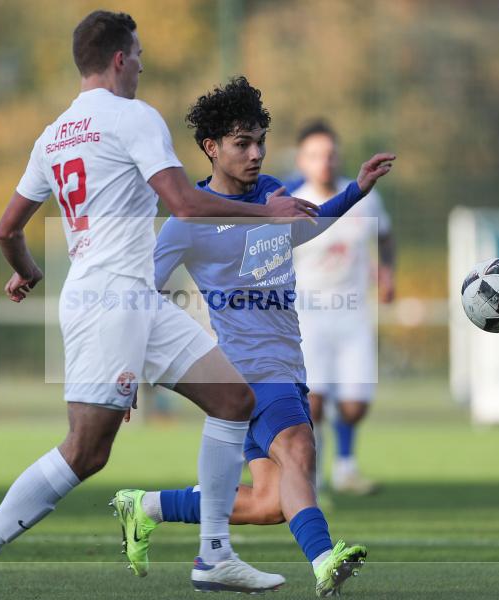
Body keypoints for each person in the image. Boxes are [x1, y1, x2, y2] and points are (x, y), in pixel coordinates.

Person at [0, 12, 320, 600]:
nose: (142, 63)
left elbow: (7, 228)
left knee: (233, 397)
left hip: (132, 298)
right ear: (119, 58)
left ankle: (214, 556)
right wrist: (267, 211)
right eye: (138, 53)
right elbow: (185, 204)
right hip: (110, 302)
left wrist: (27, 271)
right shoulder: (133, 116)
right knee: (87, 452)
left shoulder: (54, 134)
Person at [112, 76, 395, 597]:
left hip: (287, 362)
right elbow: (138, 294)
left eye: (261, 141)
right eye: (243, 143)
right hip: (246, 368)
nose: (256, 153)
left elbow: (307, 227)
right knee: (300, 449)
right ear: (211, 148)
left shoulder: (272, 196)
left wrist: (356, 190)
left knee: (269, 502)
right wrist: (125, 371)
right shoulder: (187, 220)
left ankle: (145, 506)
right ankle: (324, 559)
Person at [291, 120, 397, 495]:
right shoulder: (295, 203)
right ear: (301, 161)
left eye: (330, 153)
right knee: (313, 401)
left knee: (354, 406)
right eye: (315, 155)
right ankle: (314, 478)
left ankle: (345, 467)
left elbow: (384, 235)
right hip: (309, 315)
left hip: (354, 314)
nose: (325, 161)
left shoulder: (365, 198)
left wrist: (386, 273)